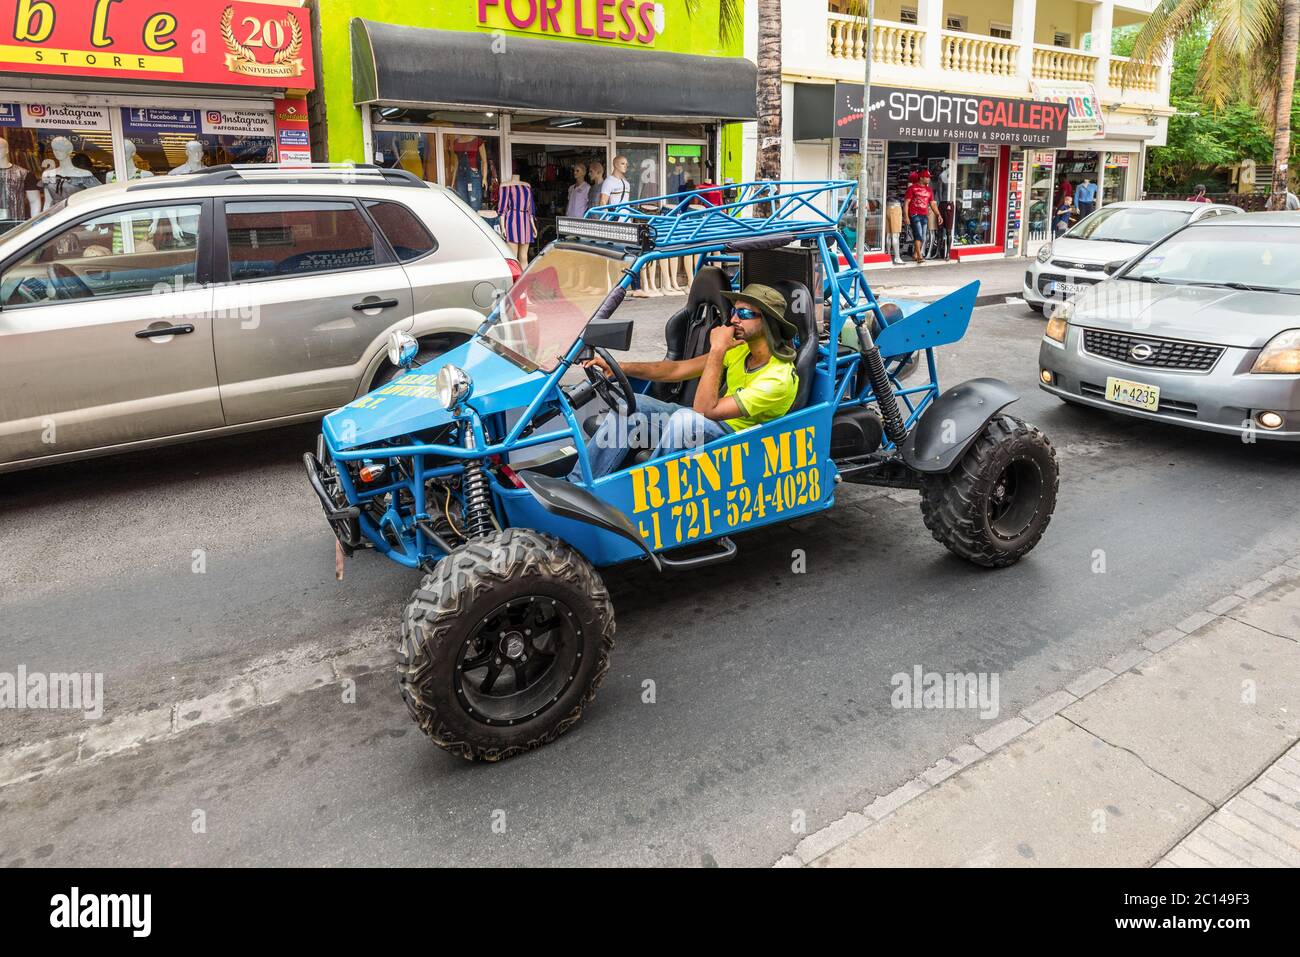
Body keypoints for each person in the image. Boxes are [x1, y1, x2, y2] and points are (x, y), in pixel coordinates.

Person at [571, 284, 799, 483]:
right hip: (712, 427)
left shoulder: (777, 378)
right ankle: (579, 487)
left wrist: (717, 350)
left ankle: (653, 494)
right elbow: (678, 369)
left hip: (741, 444)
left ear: (767, 321)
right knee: (633, 406)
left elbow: (703, 411)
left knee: (686, 420)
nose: (733, 319)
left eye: (744, 313)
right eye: (733, 311)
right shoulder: (741, 350)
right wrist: (620, 367)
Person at [903, 170, 940, 263]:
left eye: (929, 177)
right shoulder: (912, 188)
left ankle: (915, 254)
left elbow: (932, 204)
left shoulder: (929, 190)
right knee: (918, 235)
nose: (929, 179)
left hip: (924, 215)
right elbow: (906, 203)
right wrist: (906, 216)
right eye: (927, 177)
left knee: (923, 237)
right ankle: (920, 256)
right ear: (921, 178)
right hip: (914, 214)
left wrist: (938, 215)